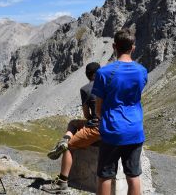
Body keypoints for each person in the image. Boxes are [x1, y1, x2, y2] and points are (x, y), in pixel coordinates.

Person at [92, 28, 148, 195]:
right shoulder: (142, 71)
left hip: (112, 130)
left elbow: (98, 108)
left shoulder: (103, 73)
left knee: (105, 176)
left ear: (114, 46)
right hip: (135, 129)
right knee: (133, 175)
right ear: (133, 47)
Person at [42, 62, 101, 194]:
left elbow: (87, 115)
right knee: (74, 123)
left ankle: (62, 183)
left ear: (88, 74)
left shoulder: (86, 89)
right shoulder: (110, 86)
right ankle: (65, 139)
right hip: (114, 126)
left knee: (69, 147)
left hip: (97, 128)